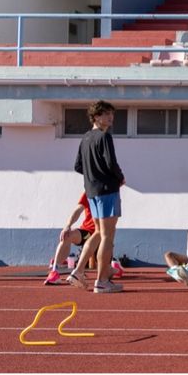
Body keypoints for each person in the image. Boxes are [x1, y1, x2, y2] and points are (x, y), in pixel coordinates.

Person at [71, 100, 124, 294]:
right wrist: (120, 177)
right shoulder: (104, 137)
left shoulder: (85, 138)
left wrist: (92, 176)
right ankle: (102, 281)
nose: (110, 117)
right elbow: (111, 163)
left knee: (98, 233)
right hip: (107, 190)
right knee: (107, 237)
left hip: (92, 192)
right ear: (96, 117)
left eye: (111, 113)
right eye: (105, 114)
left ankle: (78, 270)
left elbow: (78, 166)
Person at [43, 192, 96, 285]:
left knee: (109, 269)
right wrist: (68, 226)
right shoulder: (90, 190)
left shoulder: (111, 190)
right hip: (88, 232)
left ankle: (107, 270)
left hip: (103, 234)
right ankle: (55, 271)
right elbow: (78, 209)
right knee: (67, 235)